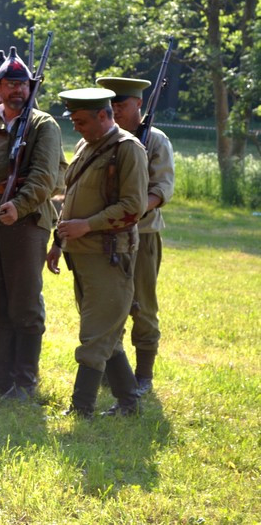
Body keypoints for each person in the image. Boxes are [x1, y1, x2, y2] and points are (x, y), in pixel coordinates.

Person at [0, 48, 63, 400]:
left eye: (22, 84)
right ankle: (2, 375)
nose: (17, 90)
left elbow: (44, 177)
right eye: (10, 84)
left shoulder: (42, 125)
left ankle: (24, 380)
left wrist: (18, 206)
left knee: (23, 302)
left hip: (25, 222)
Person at [46, 87, 148, 418]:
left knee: (94, 336)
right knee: (106, 332)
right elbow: (72, 196)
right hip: (82, 254)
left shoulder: (127, 150)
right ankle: (129, 403)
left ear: (103, 116)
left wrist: (87, 226)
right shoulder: (86, 146)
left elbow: (134, 207)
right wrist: (59, 242)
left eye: (81, 121)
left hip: (110, 255)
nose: (76, 127)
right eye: (73, 121)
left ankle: (82, 408)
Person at [96, 76, 175, 396]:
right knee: (108, 304)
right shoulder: (103, 140)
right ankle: (110, 367)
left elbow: (161, 189)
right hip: (105, 234)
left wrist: (130, 212)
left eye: (122, 106)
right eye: (110, 106)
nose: (116, 111)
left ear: (139, 104)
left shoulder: (156, 140)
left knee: (142, 306)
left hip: (142, 233)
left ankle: (143, 375)